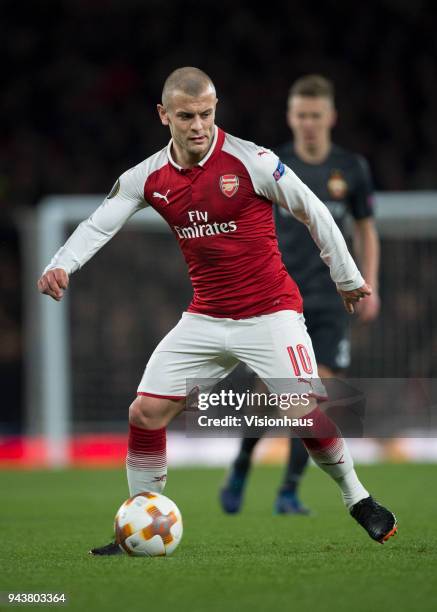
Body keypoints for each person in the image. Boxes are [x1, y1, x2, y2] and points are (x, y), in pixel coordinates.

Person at [38, 67, 396, 555]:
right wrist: (62, 265)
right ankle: (139, 522)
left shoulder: (252, 161)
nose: (198, 126)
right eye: (186, 116)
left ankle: (359, 500)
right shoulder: (148, 177)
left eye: (206, 114)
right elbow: (99, 225)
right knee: (144, 412)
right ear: (164, 116)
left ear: (215, 110)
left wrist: (348, 277)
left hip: (271, 313)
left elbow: (313, 209)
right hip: (206, 318)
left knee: (304, 414)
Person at [220, 74, 380, 515]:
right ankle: (242, 463)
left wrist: (372, 282)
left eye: (316, 115)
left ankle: (288, 490)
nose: (308, 123)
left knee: (312, 395)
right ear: (291, 118)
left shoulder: (352, 169)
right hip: (276, 294)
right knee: (267, 394)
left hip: (330, 298)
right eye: (301, 115)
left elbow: (366, 229)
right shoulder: (271, 163)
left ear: (331, 117)